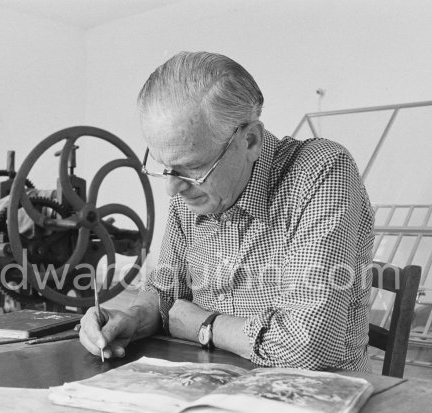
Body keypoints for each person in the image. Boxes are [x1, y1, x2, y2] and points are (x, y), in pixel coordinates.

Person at [79, 51, 374, 372]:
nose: (172, 189)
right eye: (166, 168)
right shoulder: (188, 190)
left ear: (249, 140)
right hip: (209, 379)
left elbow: (310, 344)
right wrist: (131, 319)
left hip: (316, 392)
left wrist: (202, 325)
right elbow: (166, 291)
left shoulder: (320, 170)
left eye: (192, 168)